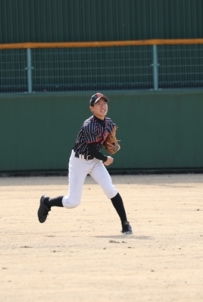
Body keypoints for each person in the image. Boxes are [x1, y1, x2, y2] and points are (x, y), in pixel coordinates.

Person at [37, 93, 132, 235]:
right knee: (73, 202)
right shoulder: (89, 125)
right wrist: (105, 159)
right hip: (79, 162)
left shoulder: (109, 123)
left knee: (110, 189)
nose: (103, 106)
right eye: (98, 104)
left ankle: (125, 224)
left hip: (94, 162)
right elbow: (93, 150)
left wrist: (111, 145)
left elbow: (105, 142)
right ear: (91, 108)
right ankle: (47, 202)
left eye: (104, 103)